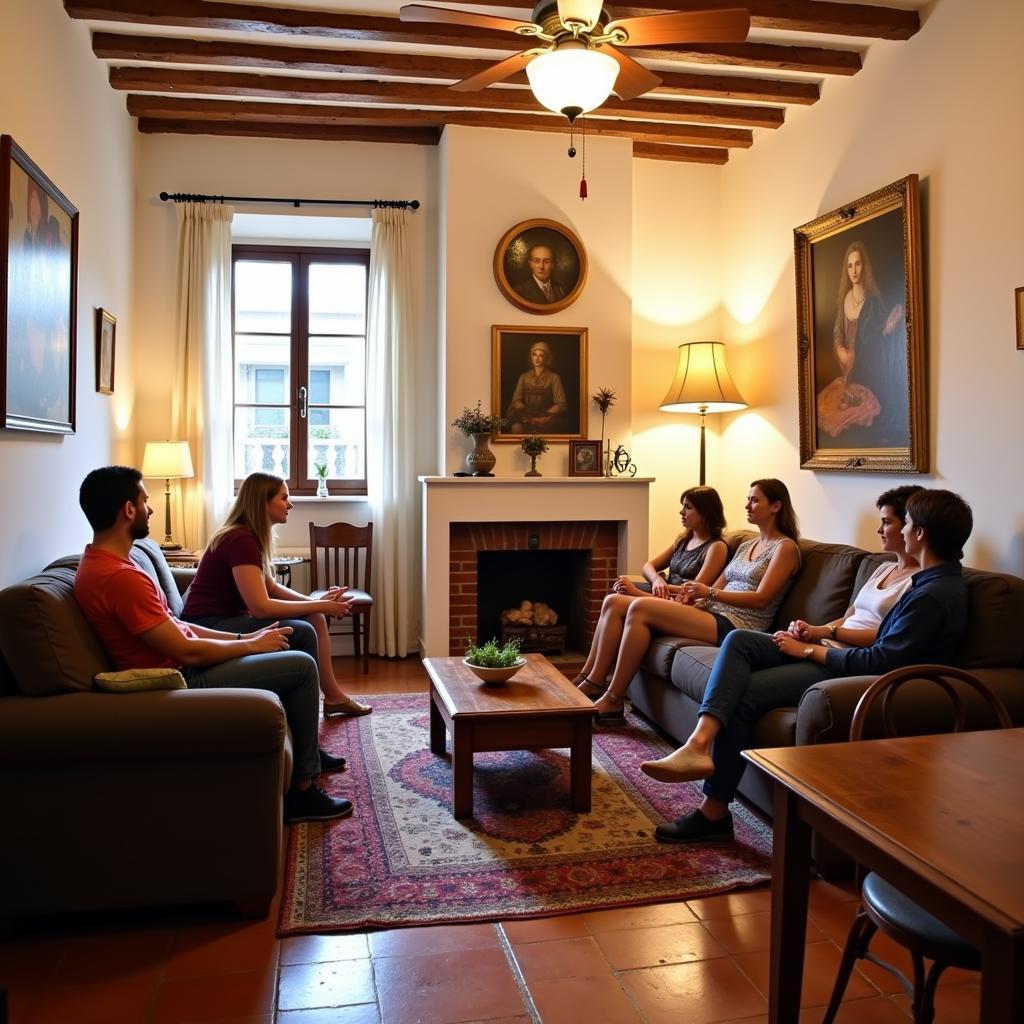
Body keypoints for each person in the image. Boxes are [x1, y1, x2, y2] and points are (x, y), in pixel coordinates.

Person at [641, 487, 972, 845]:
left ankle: (713, 811)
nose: (899, 530)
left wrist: (809, 651)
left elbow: (880, 658)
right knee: (739, 641)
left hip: (851, 673)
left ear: (919, 533)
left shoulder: (931, 595)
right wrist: (817, 633)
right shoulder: (931, 583)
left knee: (742, 695)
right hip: (834, 650)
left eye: (903, 523)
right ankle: (699, 746)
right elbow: (871, 633)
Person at [73, 466, 352, 823]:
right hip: (181, 678)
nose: (150, 509)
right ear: (128, 510)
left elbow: (180, 627)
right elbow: (186, 650)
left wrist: (245, 638)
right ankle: (302, 793)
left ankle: (307, 757)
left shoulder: (111, 563)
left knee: (297, 638)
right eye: (145, 500)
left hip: (186, 658)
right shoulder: (119, 578)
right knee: (301, 666)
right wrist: (248, 646)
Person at [588, 479, 802, 723]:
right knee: (618, 601)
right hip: (712, 611)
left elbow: (761, 599)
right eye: (748, 499)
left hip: (738, 624)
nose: (747, 505)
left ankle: (613, 698)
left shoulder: (785, 548)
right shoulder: (747, 545)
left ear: (776, 506)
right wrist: (688, 593)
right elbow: (714, 586)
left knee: (639, 607)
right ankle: (596, 683)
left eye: (754, 500)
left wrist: (707, 594)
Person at [181, 472, 371, 718]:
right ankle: (322, 700)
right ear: (263, 502)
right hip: (209, 625)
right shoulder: (240, 540)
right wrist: (320, 605)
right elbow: (261, 607)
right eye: (284, 498)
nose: (290, 504)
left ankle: (333, 697)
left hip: (222, 618)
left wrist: (316, 604)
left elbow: (270, 587)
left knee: (314, 617)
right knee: (305, 628)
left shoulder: (249, 536)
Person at [574, 486, 730, 697]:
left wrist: (645, 591)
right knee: (613, 596)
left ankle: (595, 681)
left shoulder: (716, 548)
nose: (681, 512)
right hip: (666, 595)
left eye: (688, 507)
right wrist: (657, 580)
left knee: (619, 598)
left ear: (705, 512)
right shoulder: (683, 539)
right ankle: (589, 675)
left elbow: (693, 592)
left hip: (683, 605)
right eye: (682, 507)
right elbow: (648, 566)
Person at [817, 240, 907, 441]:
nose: (854, 270)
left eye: (857, 264)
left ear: (864, 266)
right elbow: (838, 332)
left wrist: (886, 331)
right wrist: (841, 349)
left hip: (867, 374)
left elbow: (877, 339)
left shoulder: (873, 300)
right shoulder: (844, 299)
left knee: (862, 410)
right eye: (850, 265)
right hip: (847, 372)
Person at [506, 340, 568, 434]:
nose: (537, 358)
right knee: (516, 428)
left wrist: (546, 417)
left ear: (547, 358)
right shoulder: (524, 377)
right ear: (531, 357)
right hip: (526, 418)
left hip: (547, 419)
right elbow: (516, 400)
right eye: (534, 354)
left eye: (541, 355)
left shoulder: (554, 378)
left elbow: (561, 404)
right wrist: (525, 414)